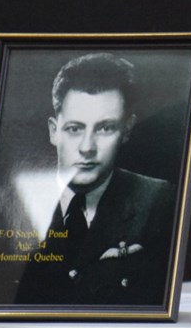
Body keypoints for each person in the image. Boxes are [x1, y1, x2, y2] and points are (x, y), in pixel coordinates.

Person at [14, 53, 176, 306]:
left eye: (105, 128)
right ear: (54, 131)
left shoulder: (159, 202)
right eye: (75, 128)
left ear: (127, 129)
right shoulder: (5, 204)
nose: (87, 147)